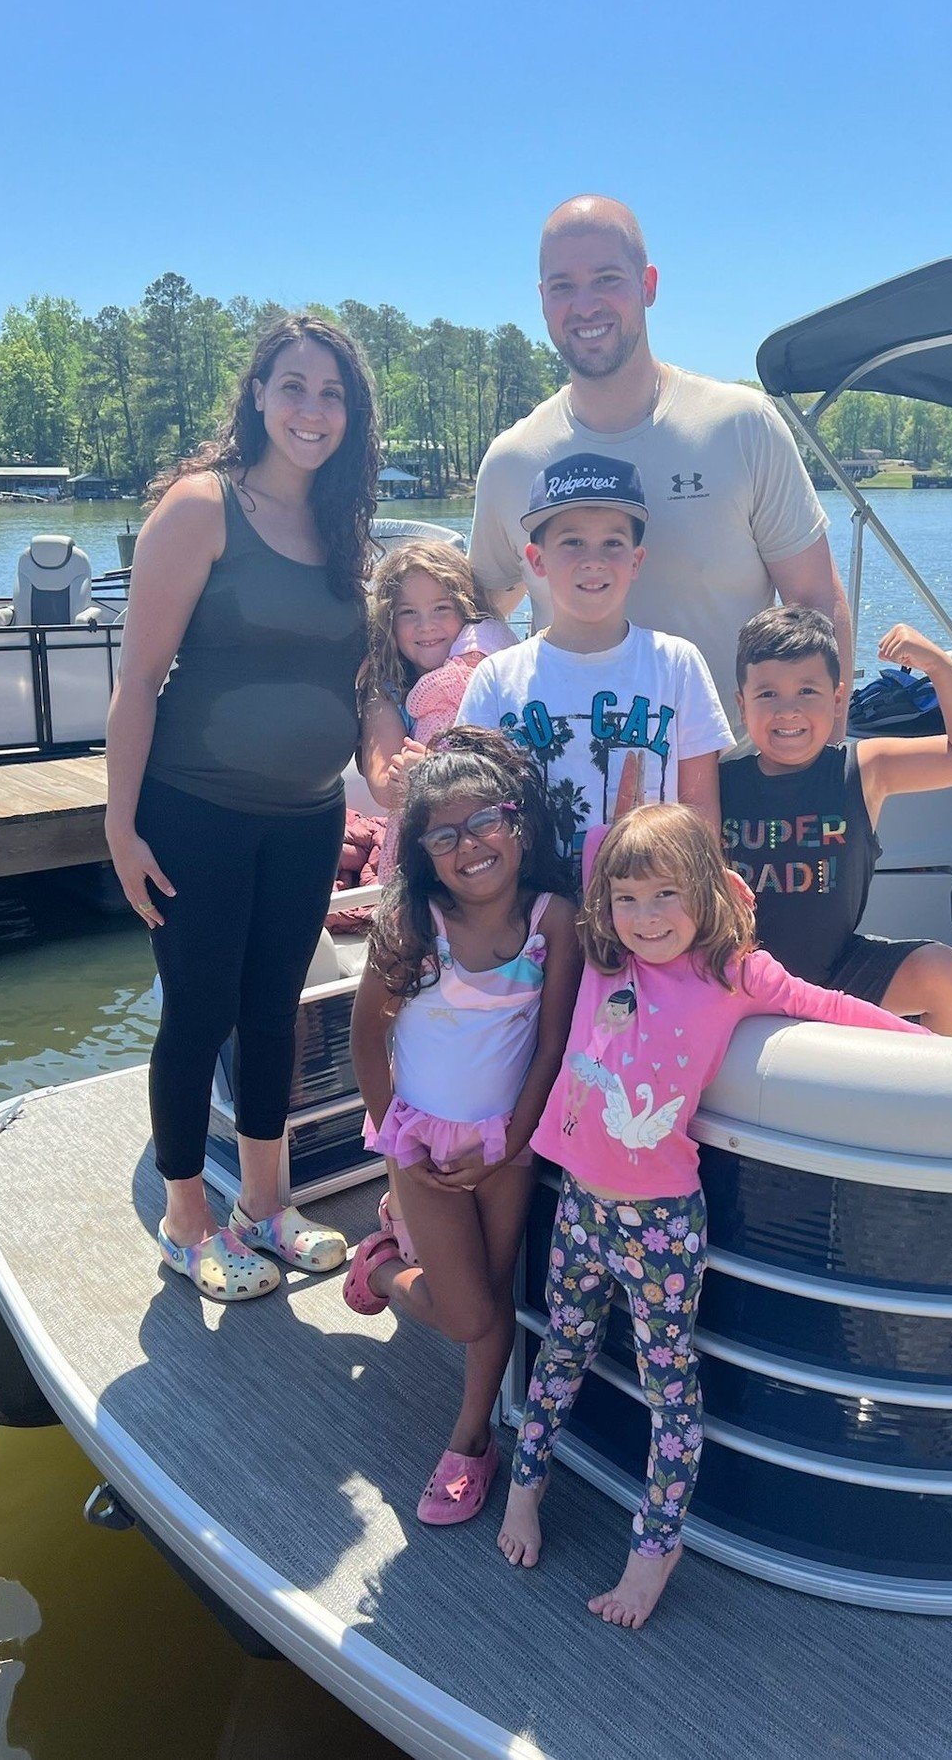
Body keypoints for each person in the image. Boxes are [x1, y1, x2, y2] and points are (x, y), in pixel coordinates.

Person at [497, 804, 924, 1626]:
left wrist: (926, 1046)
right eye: (628, 898)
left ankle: (655, 1550)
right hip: (582, 1206)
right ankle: (526, 1485)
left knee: (670, 1389)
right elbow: (599, 849)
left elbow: (828, 1007)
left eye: (667, 895)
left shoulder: (734, 973)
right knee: (560, 1347)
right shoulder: (599, 955)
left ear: (705, 892)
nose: (647, 916)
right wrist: (630, 841)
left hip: (660, 1224)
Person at [105, 314, 379, 1301]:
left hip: (306, 815)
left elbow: (364, 679)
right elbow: (138, 678)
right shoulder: (200, 507)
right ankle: (188, 1221)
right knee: (199, 1011)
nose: (312, 410)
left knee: (276, 1014)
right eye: (294, 386)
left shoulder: (343, 524)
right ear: (258, 394)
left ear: (352, 415)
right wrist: (119, 824)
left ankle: (267, 1207)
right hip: (195, 810)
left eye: (332, 393)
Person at [467, 194, 852, 733]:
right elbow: (483, 609)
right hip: (568, 791)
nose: (585, 305)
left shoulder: (742, 425)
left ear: (648, 285)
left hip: (732, 777)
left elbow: (814, 601)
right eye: (562, 286)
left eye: (607, 278)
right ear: (542, 299)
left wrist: (824, 765)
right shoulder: (511, 461)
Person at [345, 728, 581, 1524]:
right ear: (422, 851)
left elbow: (552, 1042)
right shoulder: (419, 924)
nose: (469, 845)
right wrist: (396, 1139)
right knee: (469, 1314)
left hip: (509, 1149)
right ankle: (379, 1269)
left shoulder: (555, 920)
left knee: (496, 1300)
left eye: (487, 822)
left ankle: (470, 1442)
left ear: (519, 825)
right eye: (443, 834)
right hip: (424, 1145)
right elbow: (366, 1035)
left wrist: (514, 1143)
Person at [722, 606, 952, 1037]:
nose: (788, 710)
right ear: (742, 705)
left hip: (836, 972)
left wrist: (938, 664)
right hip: (740, 980)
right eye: (767, 695)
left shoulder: (863, 769)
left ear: (838, 701)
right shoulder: (719, 782)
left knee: (945, 973)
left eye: (807, 691)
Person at [457, 452, 734, 867]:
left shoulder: (677, 664)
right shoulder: (496, 678)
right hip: (536, 914)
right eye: (572, 542)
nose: (594, 560)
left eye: (613, 543)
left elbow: (701, 819)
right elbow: (472, 810)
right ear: (537, 560)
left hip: (646, 913)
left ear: (636, 561)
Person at [357, 539, 516, 877]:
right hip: (424, 853)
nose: (425, 625)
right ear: (389, 622)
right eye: (408, 613)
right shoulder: (386, 691)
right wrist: (419, 777)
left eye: (442, 608)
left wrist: (436, 770)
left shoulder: (488, 673)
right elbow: (386, 785)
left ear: (467, 611)